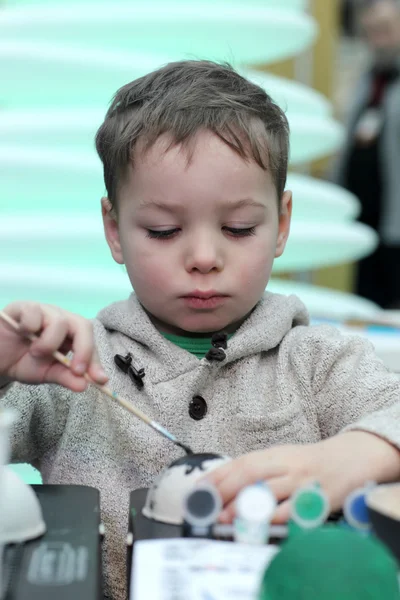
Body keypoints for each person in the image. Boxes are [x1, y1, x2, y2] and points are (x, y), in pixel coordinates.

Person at [1, 60, 400, 600]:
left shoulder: (317, 364)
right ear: (114, 230)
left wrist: (347, 457)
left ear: (281, 224)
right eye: (164, 231)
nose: (205, 258)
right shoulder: (72, 370)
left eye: (239, 228)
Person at [334, 0, 400, 308]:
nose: (377, 40)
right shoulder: (368, 78)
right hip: (365, 218)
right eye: (372, 32)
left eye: (385, 31)